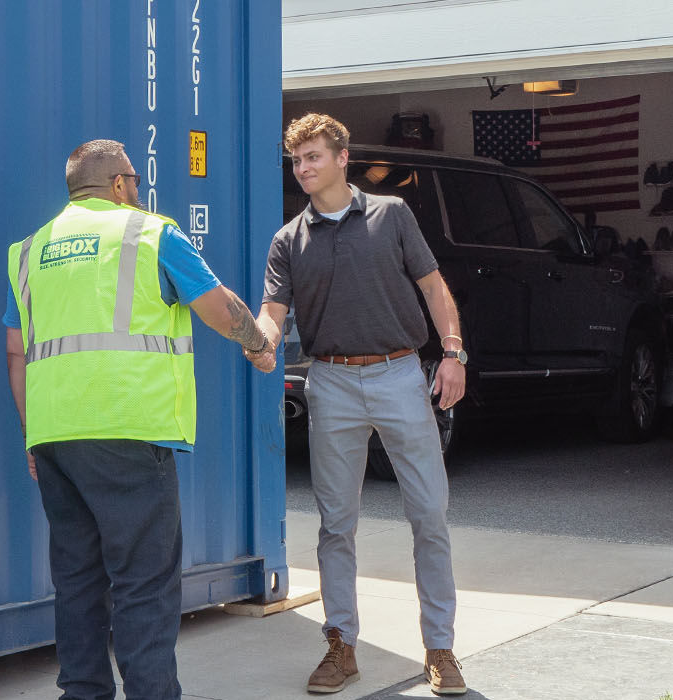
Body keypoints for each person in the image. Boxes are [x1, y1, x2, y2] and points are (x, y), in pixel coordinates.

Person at [2, 139, 273, 700]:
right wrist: (259, 343)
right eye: (136, 182)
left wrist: (32, 435)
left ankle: (83, 694)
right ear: (121, 184)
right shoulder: (149, 233)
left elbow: (15, 350)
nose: (140, 193)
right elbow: (217, 304)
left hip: (55, 436)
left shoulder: (28, 251)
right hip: (127, 427)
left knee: (77, 581)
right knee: (143, 584)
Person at [251, 114, 468, 696]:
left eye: (313, 157)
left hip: (401, 372)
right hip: (331, 382)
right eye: (297, 161)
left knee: (429, 515)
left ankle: (440, 649)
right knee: (335, 525)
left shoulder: (391, 215)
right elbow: (273, 312)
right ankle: (341, 645)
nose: (303, 169)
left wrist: (453, 353)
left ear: (343, 158)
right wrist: (264, 344)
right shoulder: (287, 240)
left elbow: (432, 286)